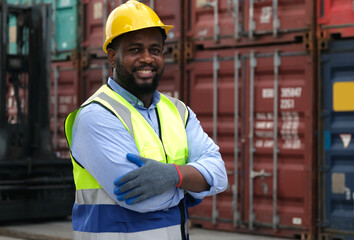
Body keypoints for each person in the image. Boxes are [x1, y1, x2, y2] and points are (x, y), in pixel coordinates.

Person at [64, 1, 228, 239]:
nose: (147, 59)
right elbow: (138, 199)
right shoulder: (96, 116)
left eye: (155, 50)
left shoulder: (179, 111)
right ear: (112, 56)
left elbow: (220, 174)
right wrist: (194, 186)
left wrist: (175, 176)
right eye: (134, 50)